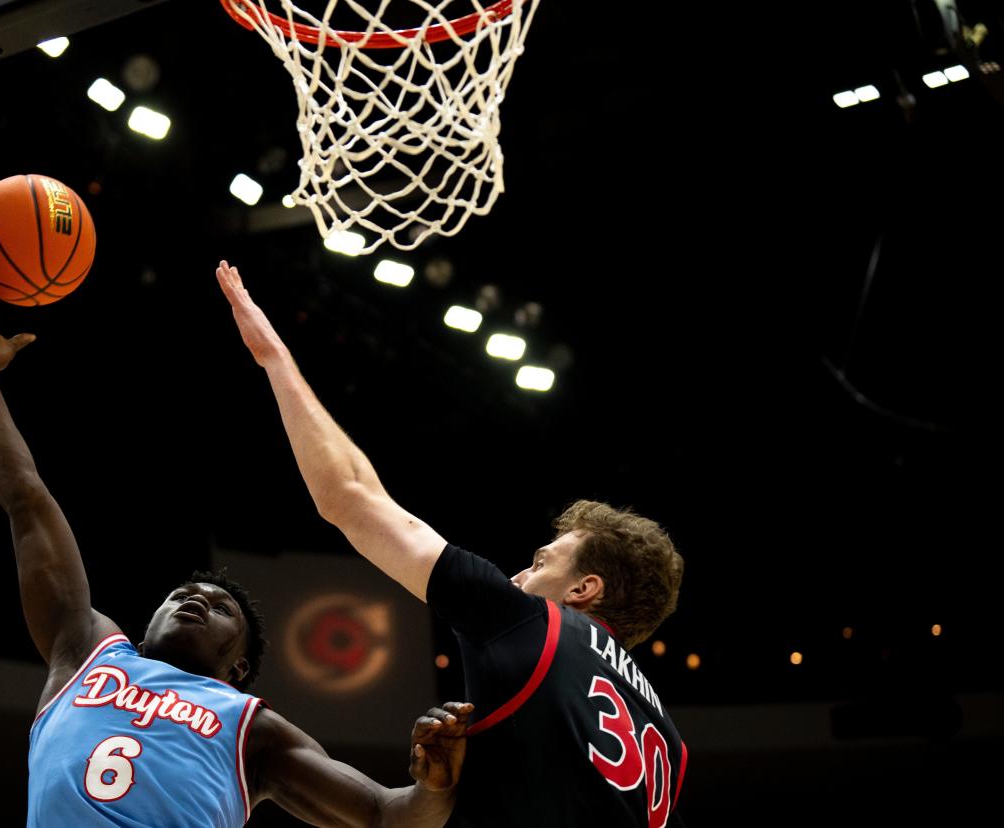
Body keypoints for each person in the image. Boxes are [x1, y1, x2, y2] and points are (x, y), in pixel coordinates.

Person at [0, 263, 474, 827]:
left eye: (220, 606)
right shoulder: (85, 648)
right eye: (182, 594)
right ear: (149, 620)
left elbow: (382, 812)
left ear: (239, 665)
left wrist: (435, 788)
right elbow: (27, 502)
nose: (194, 599)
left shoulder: (254, 729)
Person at [216, 259, 689, 826]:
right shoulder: (667, 736)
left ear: (585, 588)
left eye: (541, 563)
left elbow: (349, 498)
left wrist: (274, 357)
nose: (519, 577)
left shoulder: (534, 625)